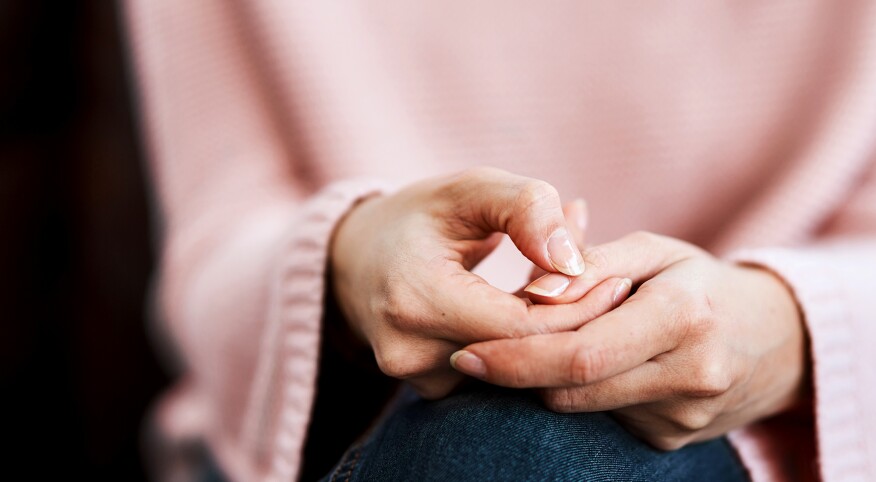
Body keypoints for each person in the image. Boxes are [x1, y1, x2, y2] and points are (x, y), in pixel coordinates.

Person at [125, 1, 876, 481]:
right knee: (510, 442)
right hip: (326, 435)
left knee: (519, 444)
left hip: (795, 441)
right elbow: (221, 231)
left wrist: (792, 331)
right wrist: (352, 256)